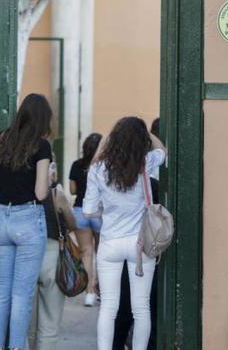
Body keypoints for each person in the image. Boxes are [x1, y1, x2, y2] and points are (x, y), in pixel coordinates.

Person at [0, 93, 53, 350]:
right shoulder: (42, 146)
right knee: (21, 296)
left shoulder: (2, 139)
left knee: (2, 294)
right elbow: (41, 193)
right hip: (29, 220)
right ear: (43, 119)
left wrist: (3, 181)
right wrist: (49, 178)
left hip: (4, 221)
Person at [83, 116, 166, 350]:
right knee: (141, 308)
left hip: (110, 243)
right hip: (140, 245)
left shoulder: (98, 169)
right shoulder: (146, 163)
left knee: (109, 307)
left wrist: (105, 207)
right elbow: (163, 150)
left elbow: (88, 211)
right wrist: (147, 133)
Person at [113, 119, 161, 350]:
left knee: (121, 309)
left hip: (116, 247)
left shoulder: (110, 174)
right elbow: (164, 152)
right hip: (145, 248)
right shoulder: (150, 172)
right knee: (146, 306)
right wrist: (146, 133)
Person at [28, 162, 77, 350]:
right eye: (51, 165)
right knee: (50, 319)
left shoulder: (22, 192)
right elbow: (73, 224)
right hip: (52, 254)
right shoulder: (56, 194)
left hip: (28, 255)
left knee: (28, 320)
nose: (54, 170)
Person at [69, 132, 104, 306]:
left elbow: (73, 190)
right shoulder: (104, 165)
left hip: (80, 211)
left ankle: (89, 292)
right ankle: (100, 289)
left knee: (86, 252)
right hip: (98, 212)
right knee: (101, 252)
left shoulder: (76, 165)